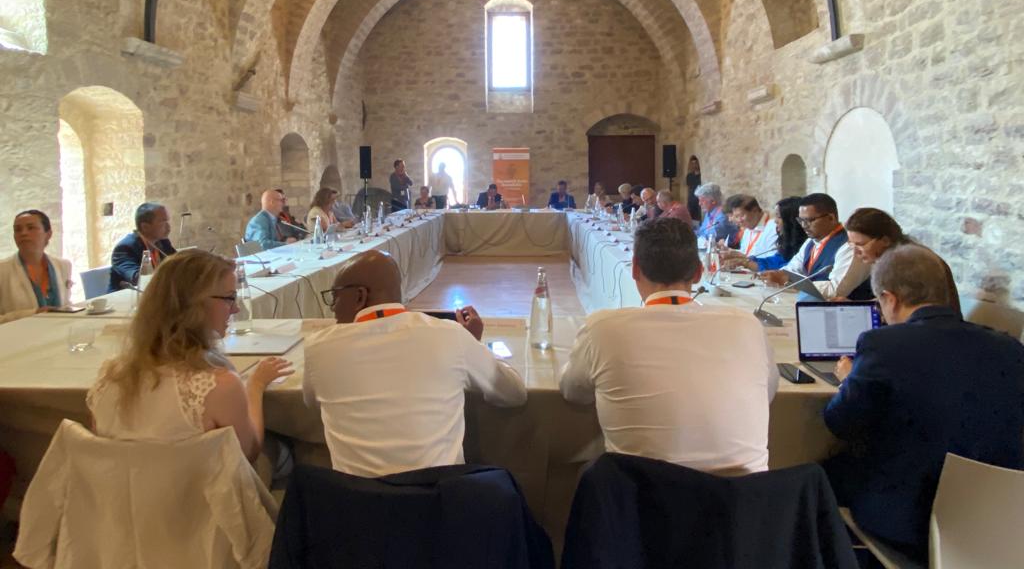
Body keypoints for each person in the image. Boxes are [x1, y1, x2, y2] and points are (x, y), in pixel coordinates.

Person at [822, 245, 1024, 561]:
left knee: (814, 474)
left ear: (889, 299)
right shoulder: (1010, 348)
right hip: (995, 519)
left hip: (907, 519)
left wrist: (850, 380)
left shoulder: (882, 344)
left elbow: (841, 423)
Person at [560, 219, 778, 474]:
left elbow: (573, 391)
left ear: (634, 270)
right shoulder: (748, 324)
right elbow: (768, 393)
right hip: (745, 495)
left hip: (642, 494)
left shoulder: (602, 327)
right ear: (698, 273)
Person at [303, 250, 527, 476]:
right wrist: (474, 346)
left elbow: (310, 402)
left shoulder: (318, 347)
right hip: (438, 494)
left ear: (360, 296)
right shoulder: (450, 335)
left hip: (354, 497)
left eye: (335, 296)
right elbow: (514, 393)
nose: (332, 307)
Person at [87, 250, 294, 463]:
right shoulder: (219, 385)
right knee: (284, 449)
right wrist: (256, 385)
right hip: (198, 485)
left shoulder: (109, 377)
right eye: (229, 298)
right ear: (193, 305)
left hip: (122, 484)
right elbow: (248, 453)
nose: (236, 308)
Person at [846, 207, 961, 314]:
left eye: (861, 244)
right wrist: (854, 306)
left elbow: (907, 307)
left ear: (885, 241)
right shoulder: (896, 256)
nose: (855, 252)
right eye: (851, 245)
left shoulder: (908, 264)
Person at [760, 193, 872, 300]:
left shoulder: (849, 246)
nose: (804, 225)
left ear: (831, 218)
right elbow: (792, 269)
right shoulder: (811, 242)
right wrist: (776, 274)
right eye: (800, 220)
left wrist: (789, 282)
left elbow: (835, 290)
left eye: (809, 220)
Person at [0, 210, 73, 324]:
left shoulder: (63, 266)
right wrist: (33, 314)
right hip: (18, 334)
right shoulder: (3, 270)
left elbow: (66, 305)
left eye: (31, 228)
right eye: (18, 229)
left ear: (48, 234)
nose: (23, 233)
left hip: (59, 331)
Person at [108, 202, 177, 292]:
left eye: (167, 221)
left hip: (156, 294)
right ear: (145, 227)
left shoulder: (163, 242)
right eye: (163, 222)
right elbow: (139, 279)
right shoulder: (125, 248)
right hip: (126, 298)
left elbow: (179, 264)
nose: (168, 226)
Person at [722, 196, 803, 272]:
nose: (775, 221)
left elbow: (781, 267)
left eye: (779, 217)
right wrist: (739, 258)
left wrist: (745, 261)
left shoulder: (773, 228)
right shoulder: (748, 229)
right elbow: (773, 260)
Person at [720, 196, 777, 262]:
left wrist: (740, 256)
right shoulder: (748, 228)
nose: (738, 220)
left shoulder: (774, 227)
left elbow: (773, 261)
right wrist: (730, 252)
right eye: (736, 216)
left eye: (740, 216)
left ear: (754, 210)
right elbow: (746, 252)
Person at [685, 156, 701, 221]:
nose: (694, 165)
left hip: (699, 198)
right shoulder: (689, 176)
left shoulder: (701, 175)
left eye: (695, 163)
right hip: (691, 199)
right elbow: (689, 187)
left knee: (699, 217)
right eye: (692, 163)